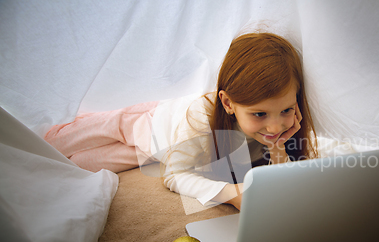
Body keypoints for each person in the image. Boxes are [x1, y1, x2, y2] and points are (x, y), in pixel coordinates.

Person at [44, 32, 318, 210]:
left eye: (285, 110)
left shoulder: (278, 130)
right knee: (55, 143)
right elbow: (173, 177)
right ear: (228, 103)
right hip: (149, 124)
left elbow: (282, 178)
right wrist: (231, 193)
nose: (275, 126)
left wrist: (281, 145)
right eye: (260, 114)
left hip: (158, 152)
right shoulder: (202, 115)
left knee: (73, 166)